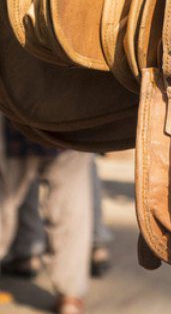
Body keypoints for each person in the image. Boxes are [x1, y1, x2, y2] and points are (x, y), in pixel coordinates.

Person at [0, 120, 92, 314]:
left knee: (5, 200)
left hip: (20, 112)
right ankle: (70, 297)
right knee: (70, 205)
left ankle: (28, 254)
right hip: (72, 119)